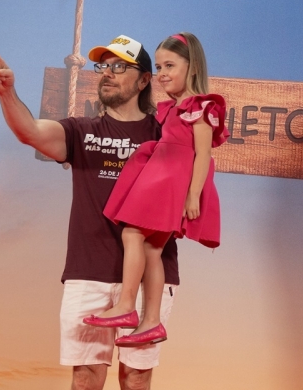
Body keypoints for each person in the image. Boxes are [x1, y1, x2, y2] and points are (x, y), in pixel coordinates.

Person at [0, 36, 178, 390]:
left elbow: (204, 151)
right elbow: (30, 131)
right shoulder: (83, 131)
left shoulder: (167, 130)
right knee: (86, 381)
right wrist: (8, 93)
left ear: (144, 79)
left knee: (136, 382)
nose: (107, 74)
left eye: (119, 67)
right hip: (89, 273)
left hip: (151, 281)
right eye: (102, 68)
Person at [90, 33, 226, 346]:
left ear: (191, 68)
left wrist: (193, 195)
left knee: (132, 233)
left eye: (170, 65)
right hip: (163, 172)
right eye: (160, 65)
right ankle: (151, 322)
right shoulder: (171, 108)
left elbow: (203, 153)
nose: (163, 73)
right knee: (152, 249)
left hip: (172, 180)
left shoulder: (201, 107)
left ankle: (126, 306)